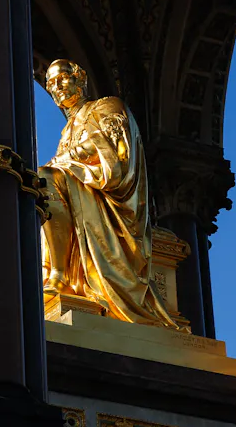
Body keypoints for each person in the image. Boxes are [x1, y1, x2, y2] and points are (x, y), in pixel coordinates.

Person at [39, 59, 184, 331]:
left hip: (111, 205)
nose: (56, 87)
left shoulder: (106, 107)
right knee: (39, 186)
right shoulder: (66, 131)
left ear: (80, 78)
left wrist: (62, 163)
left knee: (44, 178)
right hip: (83, 198)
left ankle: (60, 277)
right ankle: (53, 274)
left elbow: (112, 159)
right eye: (50, 84)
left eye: (62, 78)